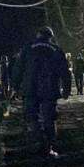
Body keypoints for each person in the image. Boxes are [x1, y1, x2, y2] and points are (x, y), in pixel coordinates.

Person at [12, 27, 71, 157]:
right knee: (50, 118)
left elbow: (18, 68)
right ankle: (49, 147)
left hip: (30, 88)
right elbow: (65, 72)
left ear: (38, 35)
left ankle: (38, 143)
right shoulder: (56, 50)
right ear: (51, 37)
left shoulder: (27, 48)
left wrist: (15, 86)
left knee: (33, 118)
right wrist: (66, 89)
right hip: (50, 89)